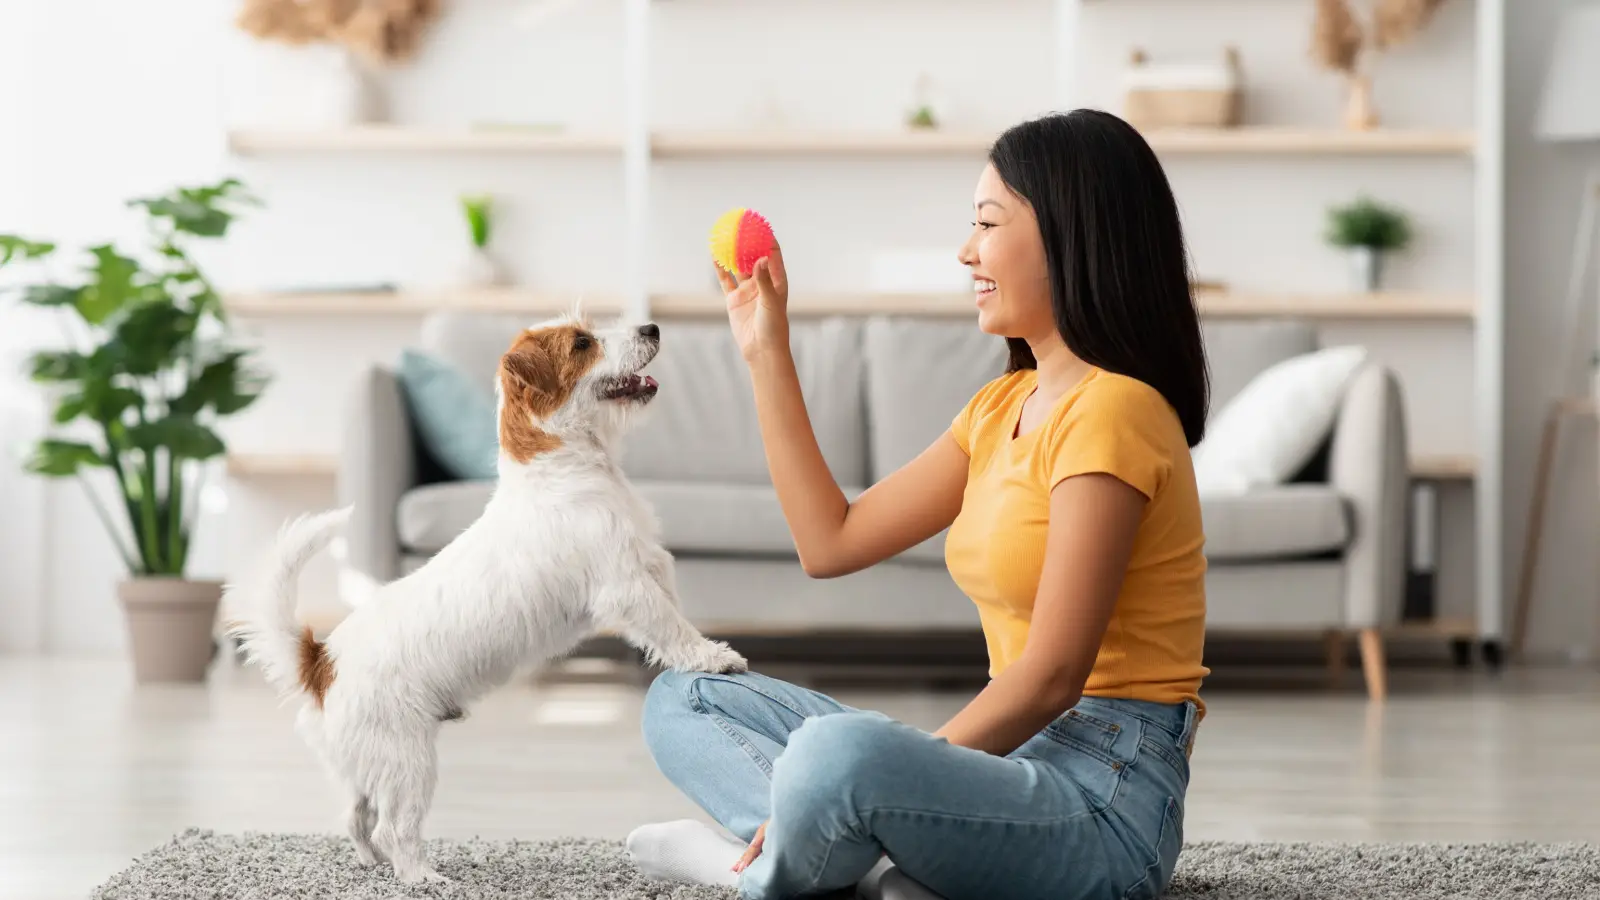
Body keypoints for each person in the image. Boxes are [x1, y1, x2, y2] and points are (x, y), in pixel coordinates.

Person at [625, 109, 1211, 900]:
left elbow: (1052, 677)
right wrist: (766, 351)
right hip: (1008, 768)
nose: (966, 251)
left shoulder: (1116, 411)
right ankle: (879, 870)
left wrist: (894, 772)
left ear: (1072, 235)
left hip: (1103, 802)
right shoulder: (1001, 407)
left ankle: (764, 872)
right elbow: (828, 543)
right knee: (684, 697)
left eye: (987, 223)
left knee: (840, 757)